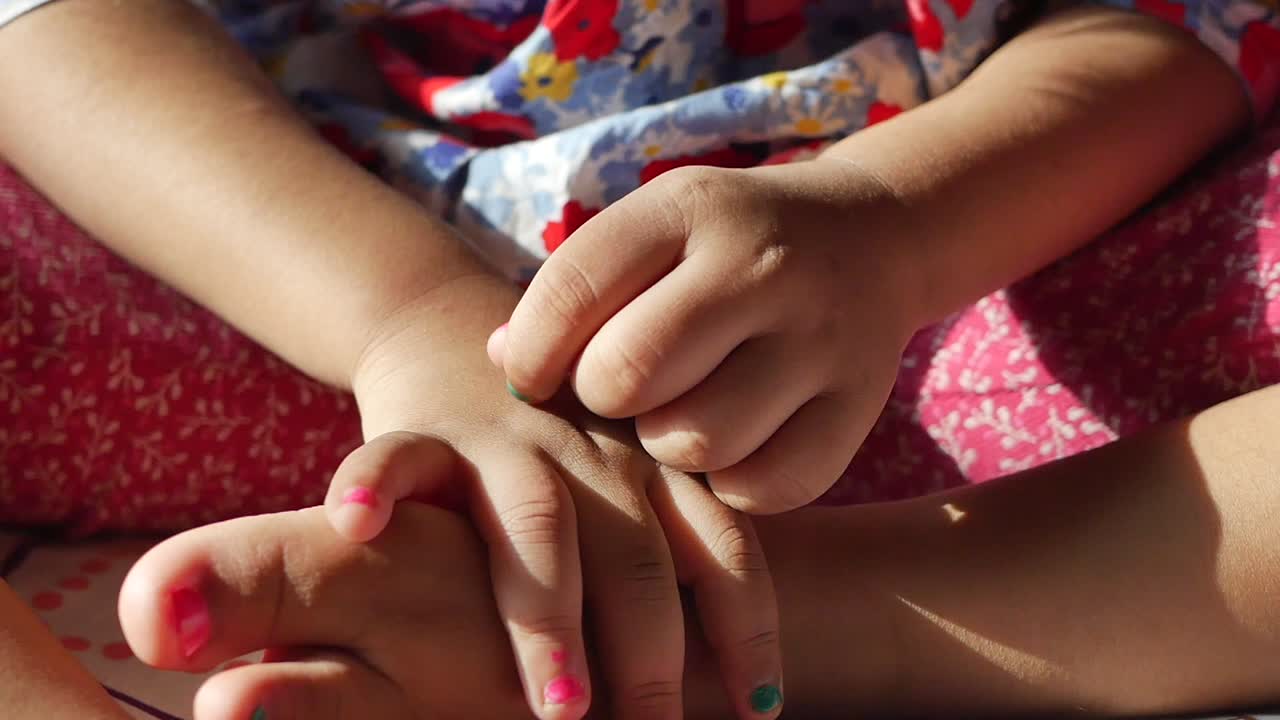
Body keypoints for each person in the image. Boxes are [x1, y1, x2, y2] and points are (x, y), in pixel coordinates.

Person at [0, 0, 1276, 718]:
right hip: (293, 262)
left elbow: (1177, 14)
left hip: (943, 292)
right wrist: (402, 314)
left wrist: (895, 224)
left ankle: (746, 629)